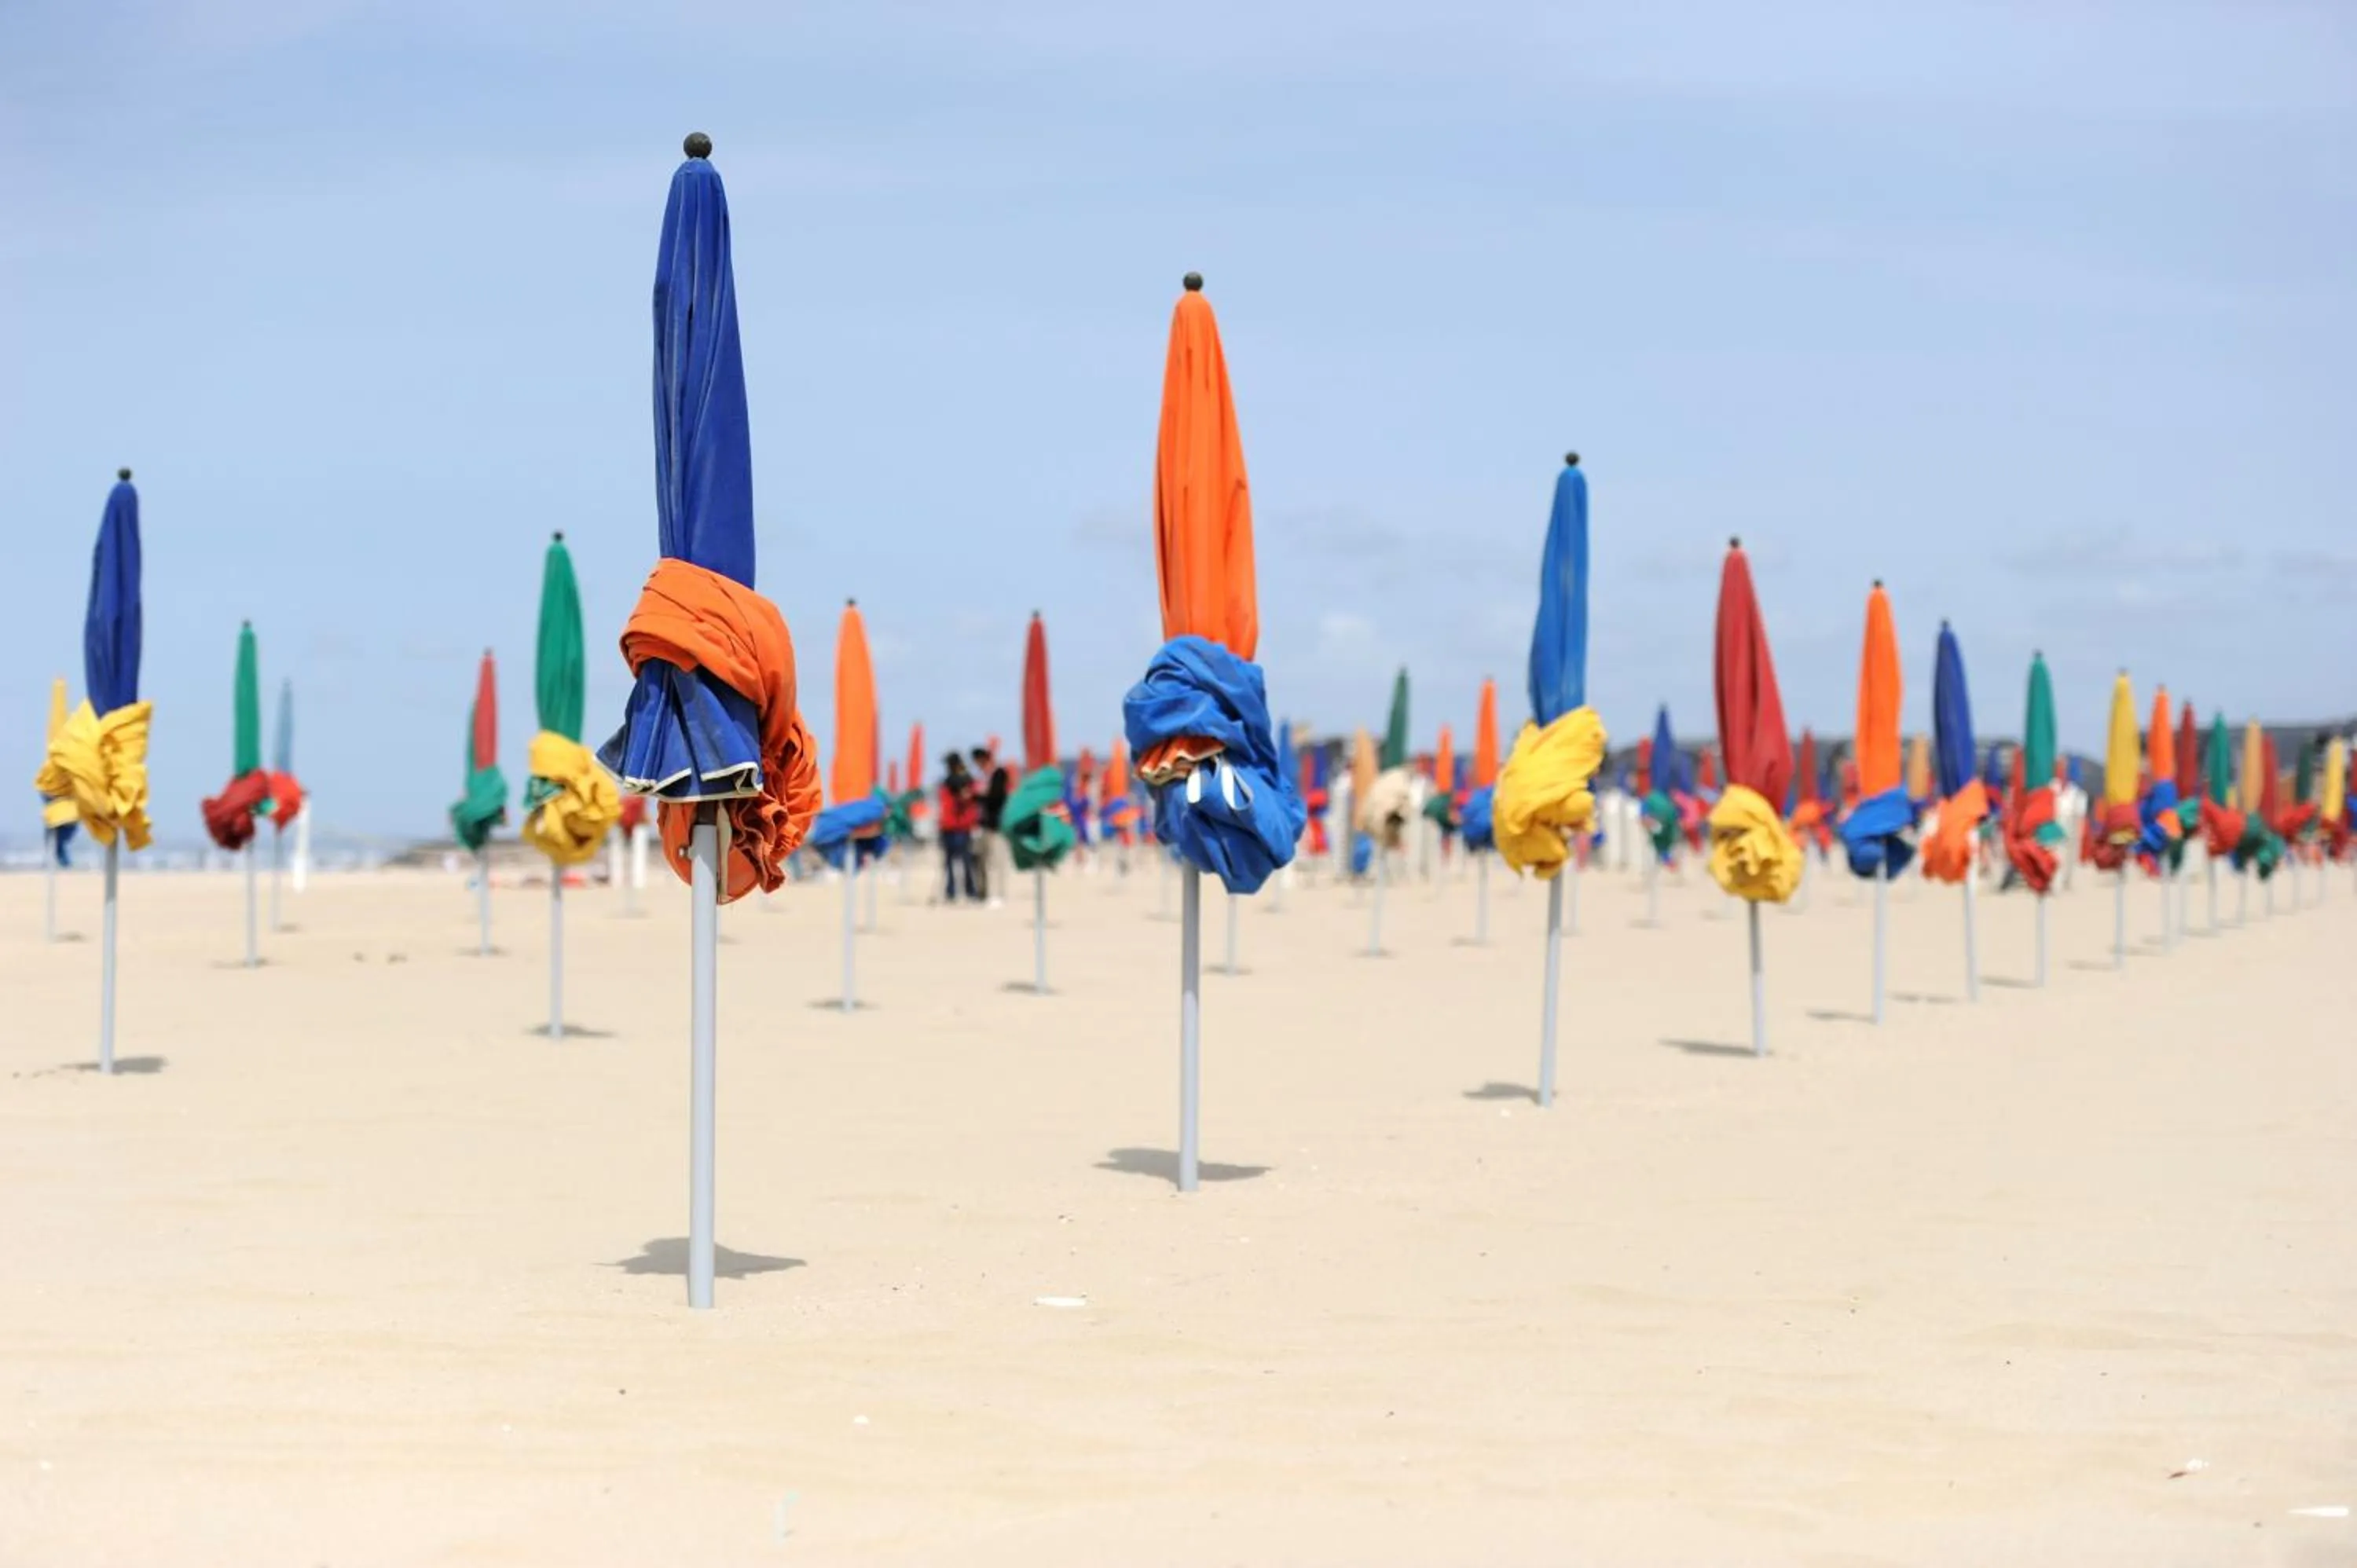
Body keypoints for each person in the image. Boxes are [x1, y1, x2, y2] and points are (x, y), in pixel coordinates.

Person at [972, 746, 1013, 908]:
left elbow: (997, 796)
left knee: (997, 861)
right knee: (983, 860)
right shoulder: (982, 778)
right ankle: (985, 893)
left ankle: (998, 894)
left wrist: (981, 795)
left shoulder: (999, 774)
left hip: (997, 826)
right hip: (984, 825)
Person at [937, 752, 980, 903]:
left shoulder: (967, 781)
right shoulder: (947, 782)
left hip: (962, 827)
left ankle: (970, 891)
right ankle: (951, 891)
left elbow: (971, 798)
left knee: (966, 860)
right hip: (948, 826)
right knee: (949, 862)